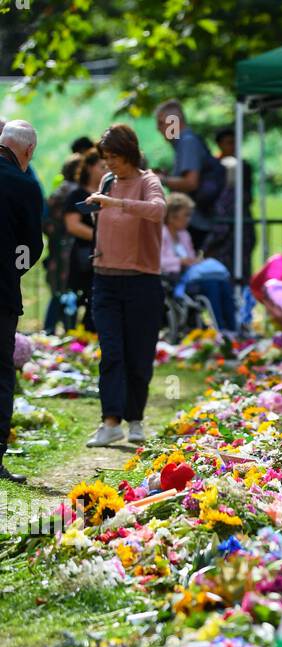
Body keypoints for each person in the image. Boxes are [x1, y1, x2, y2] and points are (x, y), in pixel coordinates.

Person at [86, 123, 166, 447]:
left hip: (141, 282)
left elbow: (158, 211)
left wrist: (116, 204)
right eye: (105, 158)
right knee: (111, 353)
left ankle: (135, 419)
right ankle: (110, 421)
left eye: (115, 157)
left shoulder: (148, 182)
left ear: (129, 154)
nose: (110, 164)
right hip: (105, 279)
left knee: (138, 355)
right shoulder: (107, 181)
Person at [0, 120, 43, 485]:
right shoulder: (25, 184)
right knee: (1, 372)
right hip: (1, 293)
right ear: (27, 151)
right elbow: (30, 247)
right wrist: (13, 270)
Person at [154, 100, 224, 251]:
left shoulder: (187, 141)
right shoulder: (183, 142)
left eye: (161, 123)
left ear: (174, 122)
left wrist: (162, 180)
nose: (158, 129)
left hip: (194, 221)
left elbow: (191, 182)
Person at [161, 192, 236, 332]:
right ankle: (221, 328)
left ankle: (232, 327)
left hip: (191, 276)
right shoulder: (161, 234)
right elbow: (158, 261)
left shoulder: (184, 234)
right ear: (172, 217)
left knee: (223, 283)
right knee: (211, 284)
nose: (188, 220)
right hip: (174, 279)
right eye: (186, 215)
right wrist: (181, 261)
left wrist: (194, 261)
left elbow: (191, 256)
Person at [203, 127, 255, 281]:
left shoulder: (244, 167)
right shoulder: (213, 166)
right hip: (221, 227)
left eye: (235, 143)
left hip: (240, 227)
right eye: (228, 143)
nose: (232, 146)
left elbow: (248, 197)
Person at [64, 146, 106, 331]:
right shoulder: (77, 194)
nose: (106, 170)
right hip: (85, 256)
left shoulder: (109, 194)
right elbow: (72, 225)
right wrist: (101, 236)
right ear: (89, 167)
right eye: (101, 166)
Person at [43, 154, 81, 334]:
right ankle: (64, 329)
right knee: (66, 293)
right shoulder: (73, 192)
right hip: (67, 251)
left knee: (59, 293)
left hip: (56, 250)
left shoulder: (58, 191)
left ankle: (51, 329)